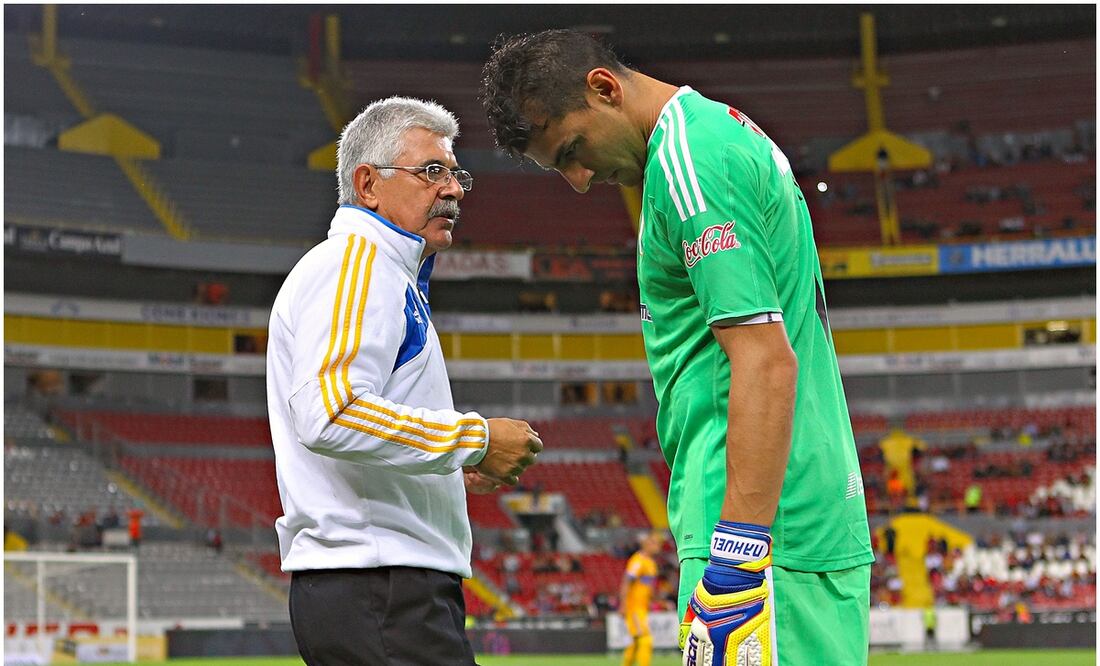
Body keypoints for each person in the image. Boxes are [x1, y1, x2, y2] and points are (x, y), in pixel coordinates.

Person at [483, 30, 874, 666]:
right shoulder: (707, 141)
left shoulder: (692, 163)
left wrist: (739, 553)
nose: (580, 180)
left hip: (761, 534)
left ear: (604, 89)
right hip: (784, 521)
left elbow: (765, 360)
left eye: (574, 150)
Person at [267, 96, 544, 666]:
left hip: (380, 584)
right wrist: (475, 439)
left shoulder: (385, 271)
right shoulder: (358, 262)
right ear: (368, 184)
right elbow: (332, 413)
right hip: (380, 585)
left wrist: (447, 467)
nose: (454, 189)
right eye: (432, 171)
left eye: (455, 174)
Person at [619, 531, 664, 666]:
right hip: (634, 607)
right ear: (646, 544)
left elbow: (648, 587)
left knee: (636, 641)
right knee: (645, 639)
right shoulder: (638, 561)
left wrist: (657, 601)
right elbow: (627, 582)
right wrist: (623, 605)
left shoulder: (651, 563)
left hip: (642, 607)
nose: (658, 546)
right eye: (655, 543)